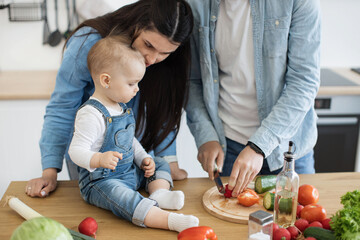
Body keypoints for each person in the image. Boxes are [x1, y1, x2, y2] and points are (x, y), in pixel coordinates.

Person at [26, 0, 193, 198]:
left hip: (134, 148)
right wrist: (50, 171)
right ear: (137, 24)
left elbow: (165, 106)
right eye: (148, 45)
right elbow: (62, 108)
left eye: (165, 53)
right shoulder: (87, 42)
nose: (151, 58)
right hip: (92, 153)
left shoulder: (163, 59)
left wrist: (168, 160)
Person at [186, 0, 321, 197]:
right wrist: (205, 135)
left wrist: (259, 145)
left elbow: (303, 82)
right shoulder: (194, 4)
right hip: (228, 148)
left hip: (288, 150)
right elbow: (192, 80)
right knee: (230, 224)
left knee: (296, 225)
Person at [67, 36, 198, 231]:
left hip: (128, 172)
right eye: (131, 84)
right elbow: (75, 151)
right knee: (125, 199)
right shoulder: (91, 114)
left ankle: (159, 194)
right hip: (102, 182)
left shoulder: (120, 107)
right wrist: (98, 159)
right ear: (106, 80)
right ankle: (170, 221)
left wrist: (143, 157)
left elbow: (130, 140)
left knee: (159, 162)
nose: (137, 89)